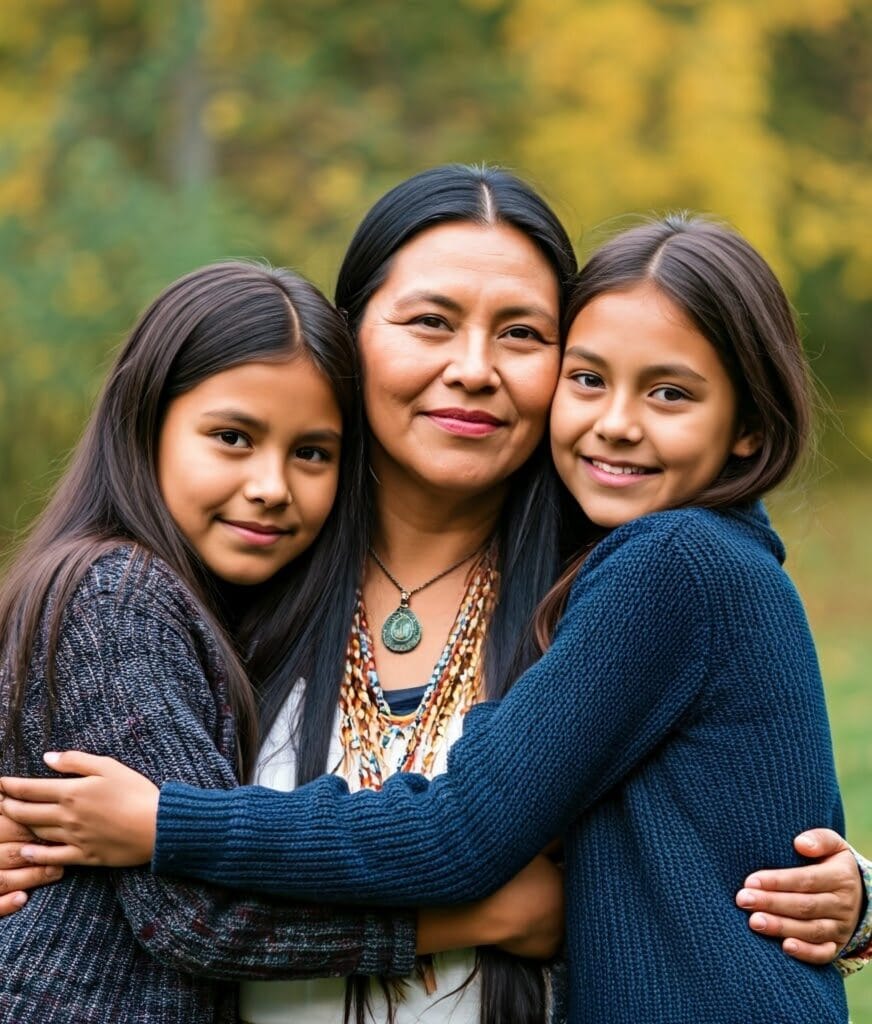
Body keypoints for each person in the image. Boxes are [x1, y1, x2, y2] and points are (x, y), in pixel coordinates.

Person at [3, 199, 871, 1020]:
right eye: (430, 320)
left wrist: (856, 897)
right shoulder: (248, 558)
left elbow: (709, 822)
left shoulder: (610, 571)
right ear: (352, 340)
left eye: (521, 333)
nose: (473, 368)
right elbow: (125, 848)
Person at [0, 261, 432, 1023]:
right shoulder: (117, 597)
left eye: (312, 452)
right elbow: (202, 916)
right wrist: (485, 920)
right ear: (147, 423)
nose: (272, 486)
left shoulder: (202, 605)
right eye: (233, 437)